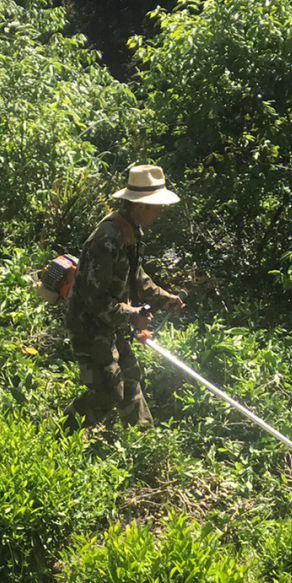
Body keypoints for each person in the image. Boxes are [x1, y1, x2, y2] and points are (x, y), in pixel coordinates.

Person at [64, 163, 185, 431]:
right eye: (157, 206)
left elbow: (136, 277)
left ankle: (143, 441)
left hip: (111, 322)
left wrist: (165, 297)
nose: (160, 211)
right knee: (108, 391)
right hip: (90, 325)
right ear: (140, 205)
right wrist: (132, 315)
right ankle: (62, 433)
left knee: (130, 378)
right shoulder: (108, 239)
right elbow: (92, 300)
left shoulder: (130, 231)